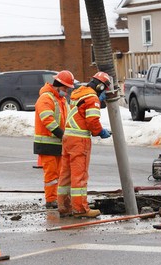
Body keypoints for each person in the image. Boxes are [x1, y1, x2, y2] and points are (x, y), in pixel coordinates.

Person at [57, 71, 112, 218]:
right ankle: (80, 208)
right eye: (105, 90)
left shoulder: (78, 93)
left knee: (66, 174)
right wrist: (100, 131)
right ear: (100, 86)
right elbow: (92, 120)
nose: (104, 94)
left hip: (68, 138)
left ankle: (64, 206)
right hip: (79, 140)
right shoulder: (92, 98)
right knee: (79, 176)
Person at [34, 70, 75, 209]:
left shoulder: (61, 100)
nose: (67, 92)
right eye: (66, 88)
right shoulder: (46, 98)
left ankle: (58, 198)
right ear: (59, 85)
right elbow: (47, 120)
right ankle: (51, 200)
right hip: (47, 143)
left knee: (59, 173)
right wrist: (61, 134)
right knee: (52, 174)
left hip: (57, 143)